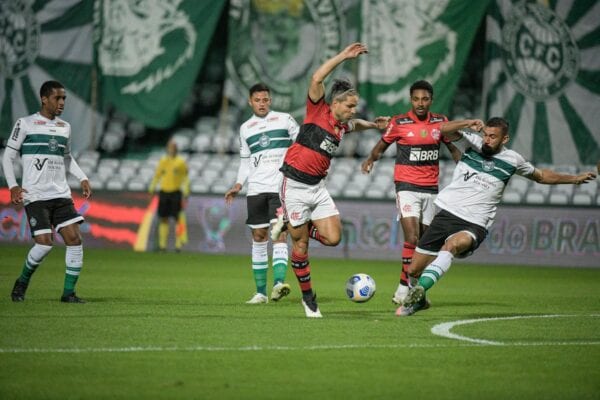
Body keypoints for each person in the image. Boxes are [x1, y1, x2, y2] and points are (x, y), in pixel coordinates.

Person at [397, 117, 597, 316]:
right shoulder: (471, 143)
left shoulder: (513, 160)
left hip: (475, 222)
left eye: (493, 137)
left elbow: (541, 176)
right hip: (447, 215)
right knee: (413, 271)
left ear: (505, 139)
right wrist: (467, 123)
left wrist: (574, 179)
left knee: (452, 246)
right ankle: (420, 300)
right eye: (486, 135)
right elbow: (443, 129)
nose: (487, 140)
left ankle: (421, 289)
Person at [271, 42, 389, 317]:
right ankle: (309, 299)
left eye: (355, 107)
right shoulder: (317, 111)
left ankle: (290, 224)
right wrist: (344, 57)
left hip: (317, 188)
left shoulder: (341, 125)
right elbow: (316, 78)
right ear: (335, 103)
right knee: (301, 246)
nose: (353, 110)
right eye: (350, 106)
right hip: (295, 185)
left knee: (334, 238)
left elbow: (355, 124)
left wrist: (372, 125)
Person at [361, 80, 461, 305]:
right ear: (410, 100)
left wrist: (462, 165)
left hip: (431, 189)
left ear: (431, 101)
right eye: (416, 99)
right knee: (412, 237)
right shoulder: (399, 122)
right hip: (406, 187)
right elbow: (381, 145)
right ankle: (404, 287)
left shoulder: (440, 122)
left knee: (425, 243)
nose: (420, 103)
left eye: (425, 99)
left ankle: (407, 288)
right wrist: (370, 159)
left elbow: (452, 147)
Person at [3, 80, 92, 303]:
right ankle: (22, 281)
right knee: (44, 243)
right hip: (35, 195)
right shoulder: (25, 124)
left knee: (74, 238)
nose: (61, 102)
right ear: (44, 99)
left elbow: (67, 157)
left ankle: (68, 294)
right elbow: (8, 156)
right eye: (57, 98)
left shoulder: (65, 127)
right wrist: (13, 185)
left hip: (60, 194)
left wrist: (82, 178)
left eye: (64, 98)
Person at [225, 83, 300, 304]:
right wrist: (238, 184)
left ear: (270, 100)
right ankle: (260, 293)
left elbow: (302, 144)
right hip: (255, 189)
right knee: (258, 238)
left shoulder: (285, 120)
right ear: (250, 102)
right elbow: (245, 161)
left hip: (279, 188)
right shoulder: (245, 128)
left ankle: (278, 284)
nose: (262, 103)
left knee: (279, 234)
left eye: (265, 99)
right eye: (257, 100)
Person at [148, 139, 190, 252]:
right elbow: (157, 175)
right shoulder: (163, 161)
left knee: (178, 220)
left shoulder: (181, 162)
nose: (171, 149)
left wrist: (186, 190)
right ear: (167, 149)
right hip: (164, 192)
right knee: (163, 218)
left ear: (176, 149)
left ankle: (178, 245)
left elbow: (185, 177)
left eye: (173, 147)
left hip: (175, 192)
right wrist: (152, 187)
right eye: (170, 147)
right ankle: (162, 245)